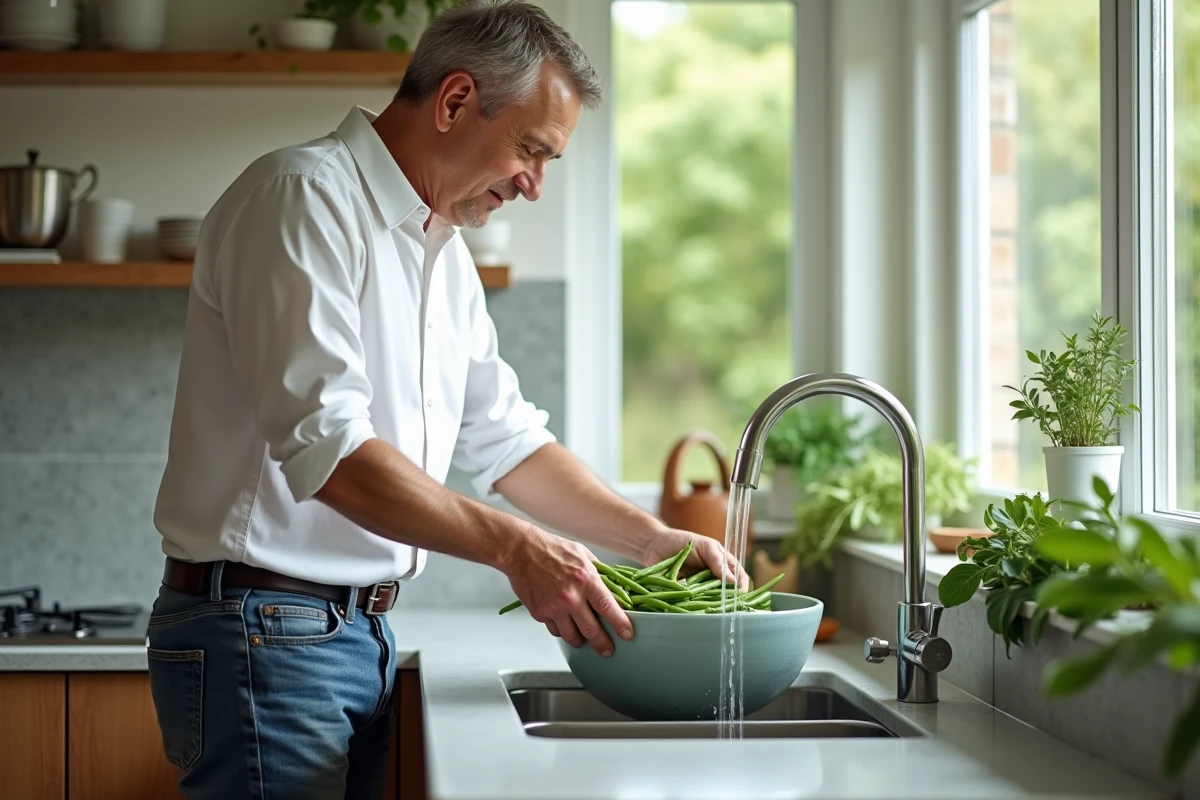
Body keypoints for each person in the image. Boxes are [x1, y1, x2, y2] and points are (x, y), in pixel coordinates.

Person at [146, 1, 746, 798]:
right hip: (264, 629)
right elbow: (330, 456)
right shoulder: (302, 199)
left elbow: (508, 442)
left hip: (356, 631)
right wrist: (518, 550)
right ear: (455, 100)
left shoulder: (443, 254)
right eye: (531, 151)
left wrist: (651, 540)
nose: (533, 186)